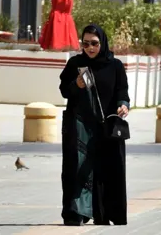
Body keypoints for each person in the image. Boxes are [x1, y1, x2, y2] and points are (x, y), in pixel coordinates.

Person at [59, 23, 130, 226]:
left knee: (107, 169)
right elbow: (64, 90)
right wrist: (76, 85)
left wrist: (123, 105)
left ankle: (104, 213)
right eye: (86, 43)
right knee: (77, 168)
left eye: (95, 43)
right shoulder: (75, 64)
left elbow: (122, 91)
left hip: (106, 126)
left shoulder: (114, 65)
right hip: (80, 126)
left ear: (103, 43)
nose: (90, 48)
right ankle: (76, 213)